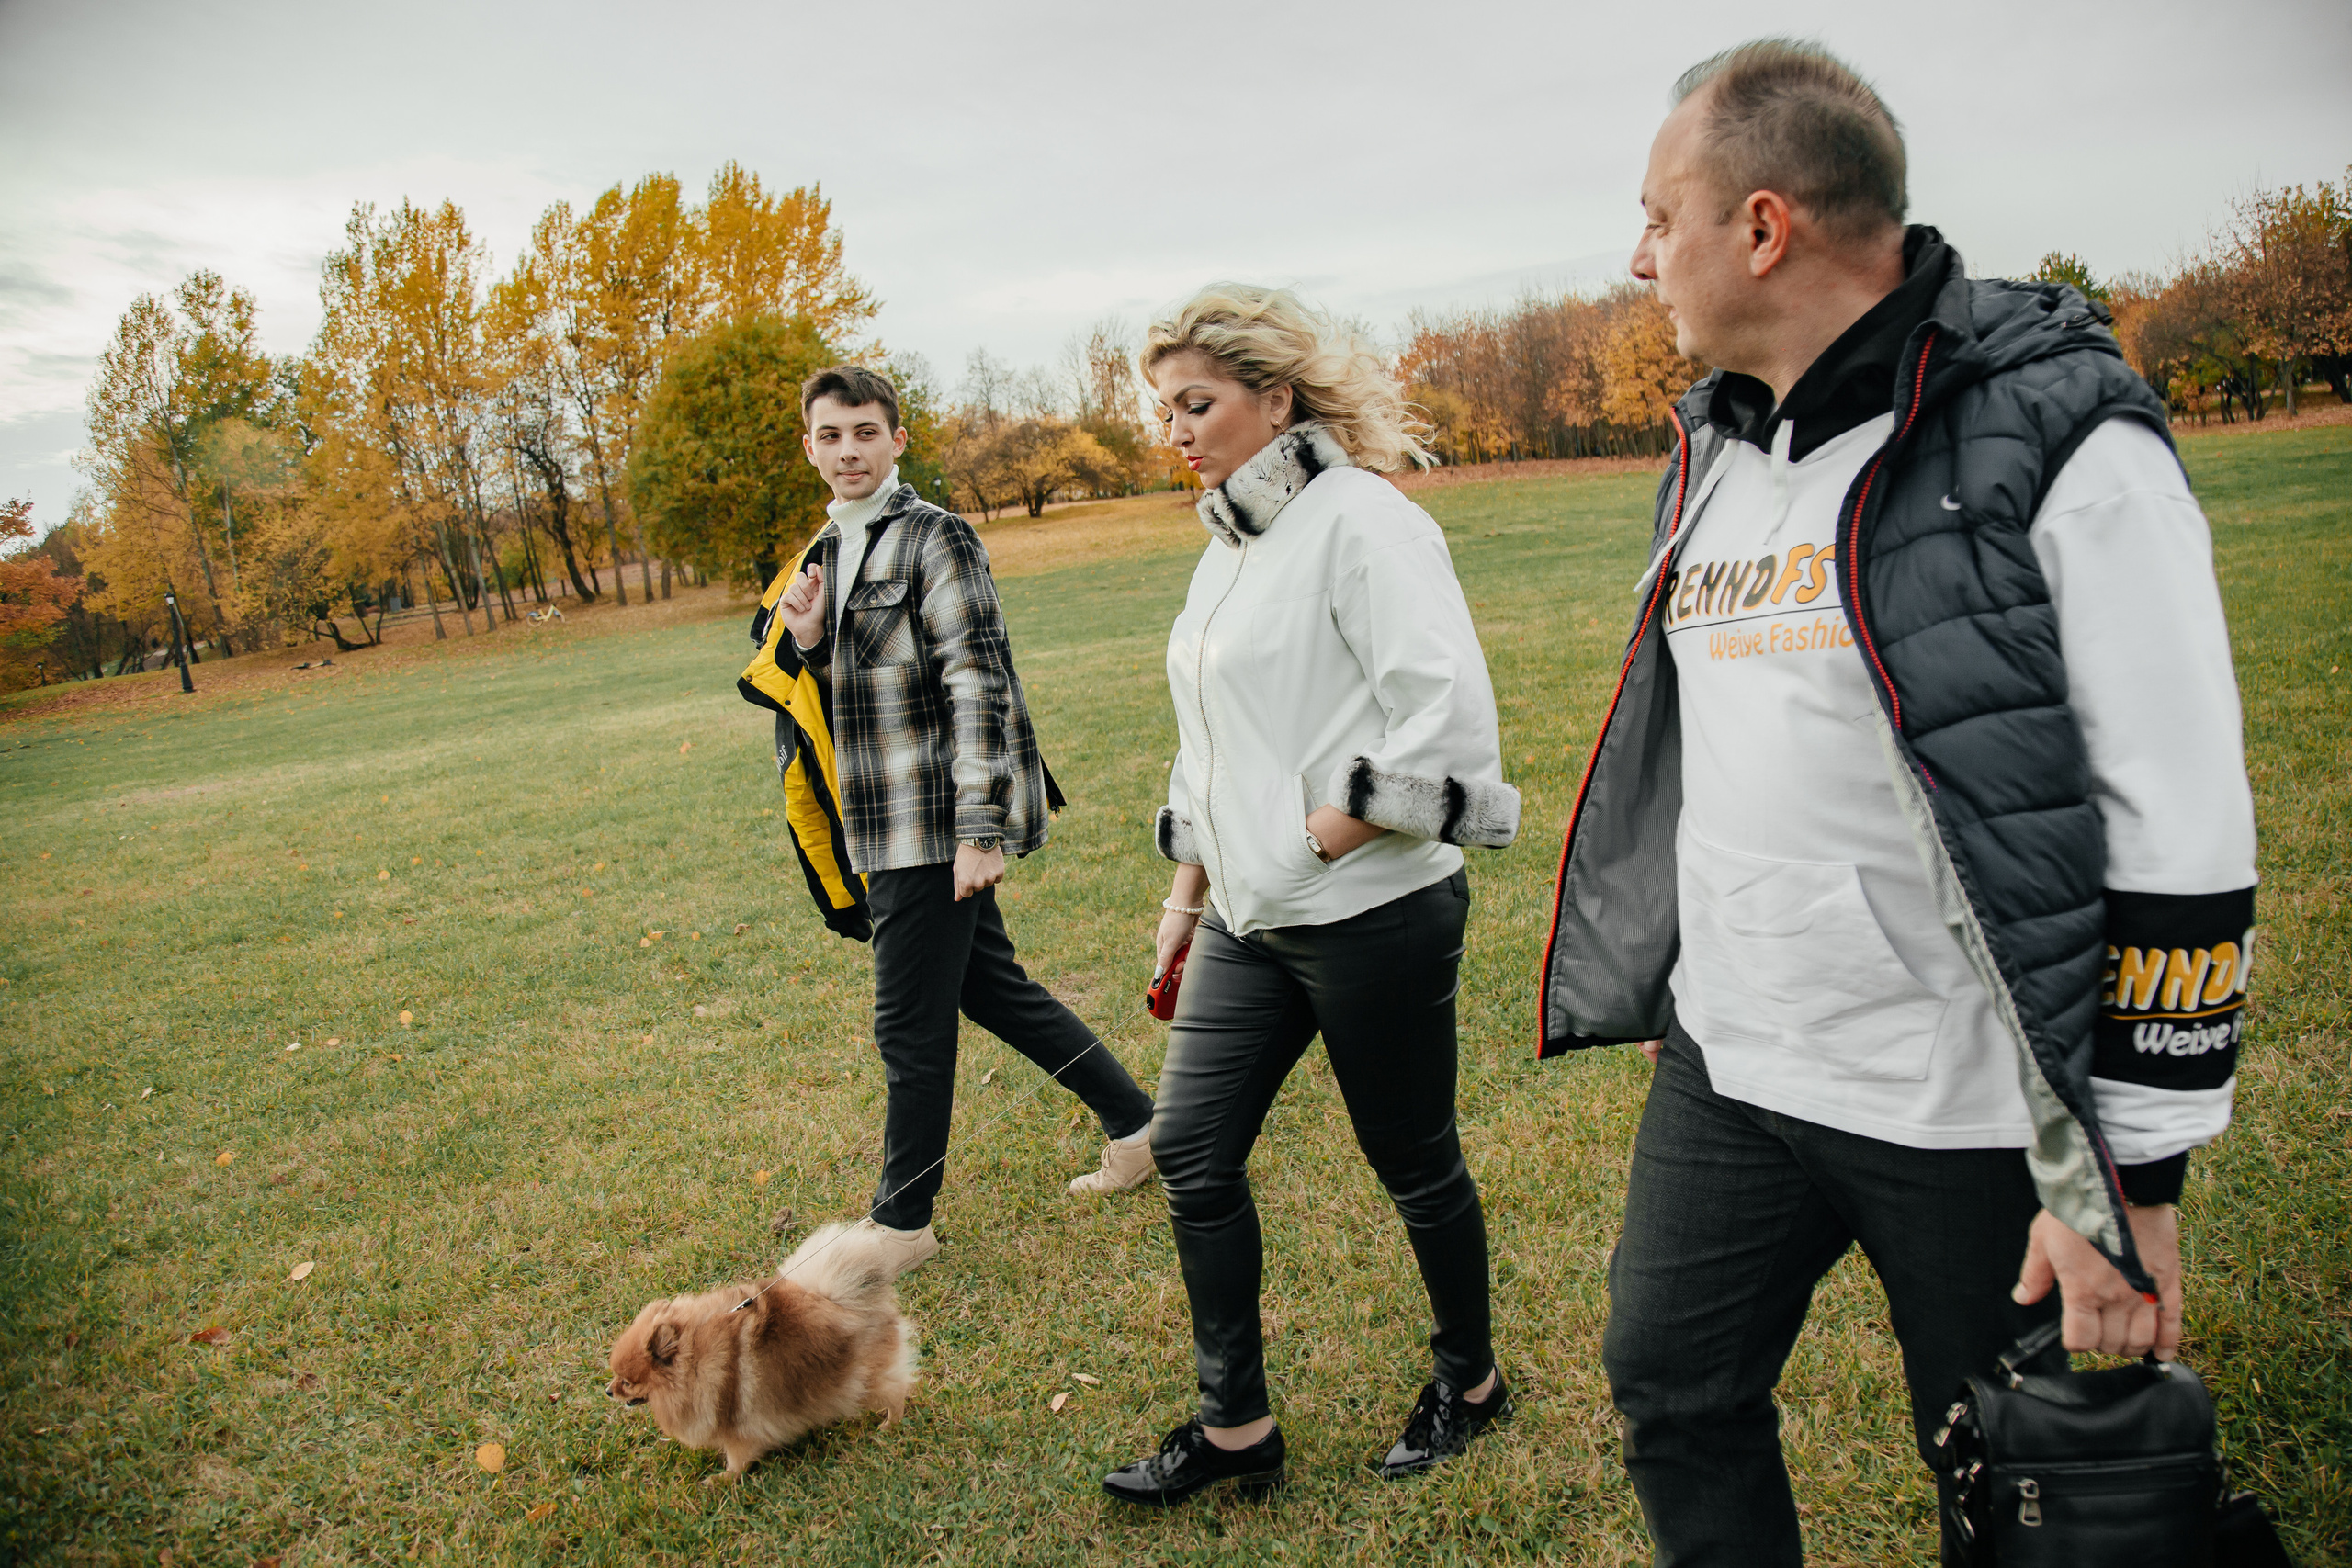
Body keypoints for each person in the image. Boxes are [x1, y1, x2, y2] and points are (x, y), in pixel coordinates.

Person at [1536, 39, 2258, 1564]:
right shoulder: (1715, 446)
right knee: (1670, 1386)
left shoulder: (2064, 439)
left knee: (2012, 1484)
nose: (1638, 254)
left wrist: (2130, 1178)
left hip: (1963, 1104)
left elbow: (2178, 817)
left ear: (1762, 225)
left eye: (1659, 214)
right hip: (1735, 1065)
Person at [1101, 286, 1523, 1507]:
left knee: (1412, 1157)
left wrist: (1305, 846)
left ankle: (1473, 1379)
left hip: (1372, 913)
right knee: (1191, 1150)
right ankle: (1234, 1423)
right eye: (1164, 408)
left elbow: (1446, 731)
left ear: (1274, 398)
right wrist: (1192, 888)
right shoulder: (1227, 545)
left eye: (1199, 402)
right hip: (1245, 916)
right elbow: (1212, 742)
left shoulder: (1363, 523)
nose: (1176, 428)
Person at [743, 365, 1159, 1280]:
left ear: (897, 439)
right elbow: (850, 704)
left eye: (863, 431)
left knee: (908, 1026)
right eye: (829, 435)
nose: (847, 449)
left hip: (934, 823)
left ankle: (902, 1223)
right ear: (809, 446)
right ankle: (1138, 1128)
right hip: (875, 821)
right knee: (992, 991)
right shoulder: (824, 552)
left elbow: (978, 681)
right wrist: (811, 646)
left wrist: (982, 829)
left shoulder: (938, 539)